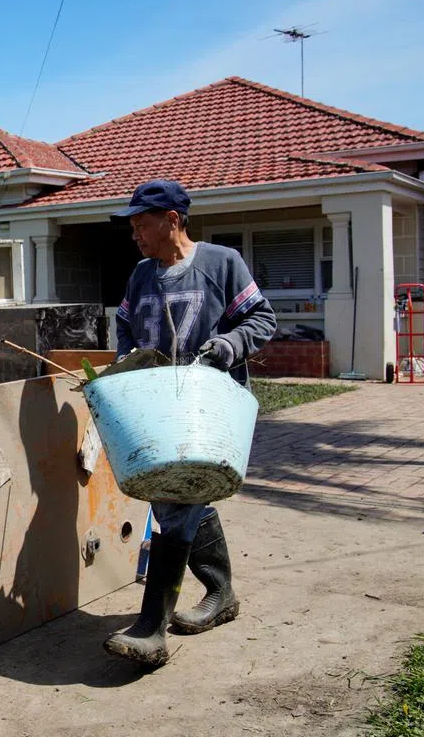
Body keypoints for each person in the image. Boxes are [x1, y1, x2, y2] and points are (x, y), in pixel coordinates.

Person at [103, 179, 277, 666]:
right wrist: (127, 361)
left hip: (208, 405)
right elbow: (124, 323)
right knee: (178, 492)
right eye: (133, 226)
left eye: (142, 224)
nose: (135, 233)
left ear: (172, 220)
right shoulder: (141, 275)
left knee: (177, 498)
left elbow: (261, 319)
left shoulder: (221, 263)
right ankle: (221, 594)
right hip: (157, 406)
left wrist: (230, 345)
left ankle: (151, 628)